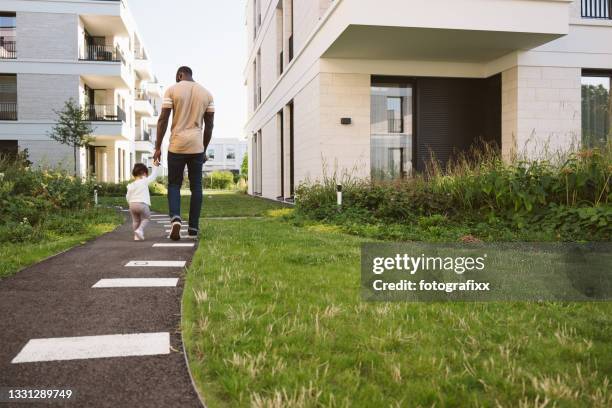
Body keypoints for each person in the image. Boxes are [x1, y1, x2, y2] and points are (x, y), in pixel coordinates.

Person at [153, 66, 215, 241]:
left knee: (174, 185)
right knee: (196, 187)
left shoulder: (172, 90)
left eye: (177, 77)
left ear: (180, 75)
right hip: (196, 146)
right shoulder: (207, 94)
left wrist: (157, 147)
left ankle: (175, 219)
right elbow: (209, 125)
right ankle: (193, 227)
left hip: (177, 146)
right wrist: (203, 148)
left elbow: (163, 119)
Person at [126, 162, 160, 241]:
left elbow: (127, 196)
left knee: (135, 221)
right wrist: (155, 167)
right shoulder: (144, 181)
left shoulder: (131, 185)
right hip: (142, 204)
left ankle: (136, 236)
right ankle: (140, 230)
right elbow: (153, 176)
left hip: (132, 205)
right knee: (146, 218)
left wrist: (129, 204)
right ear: (144, 173)